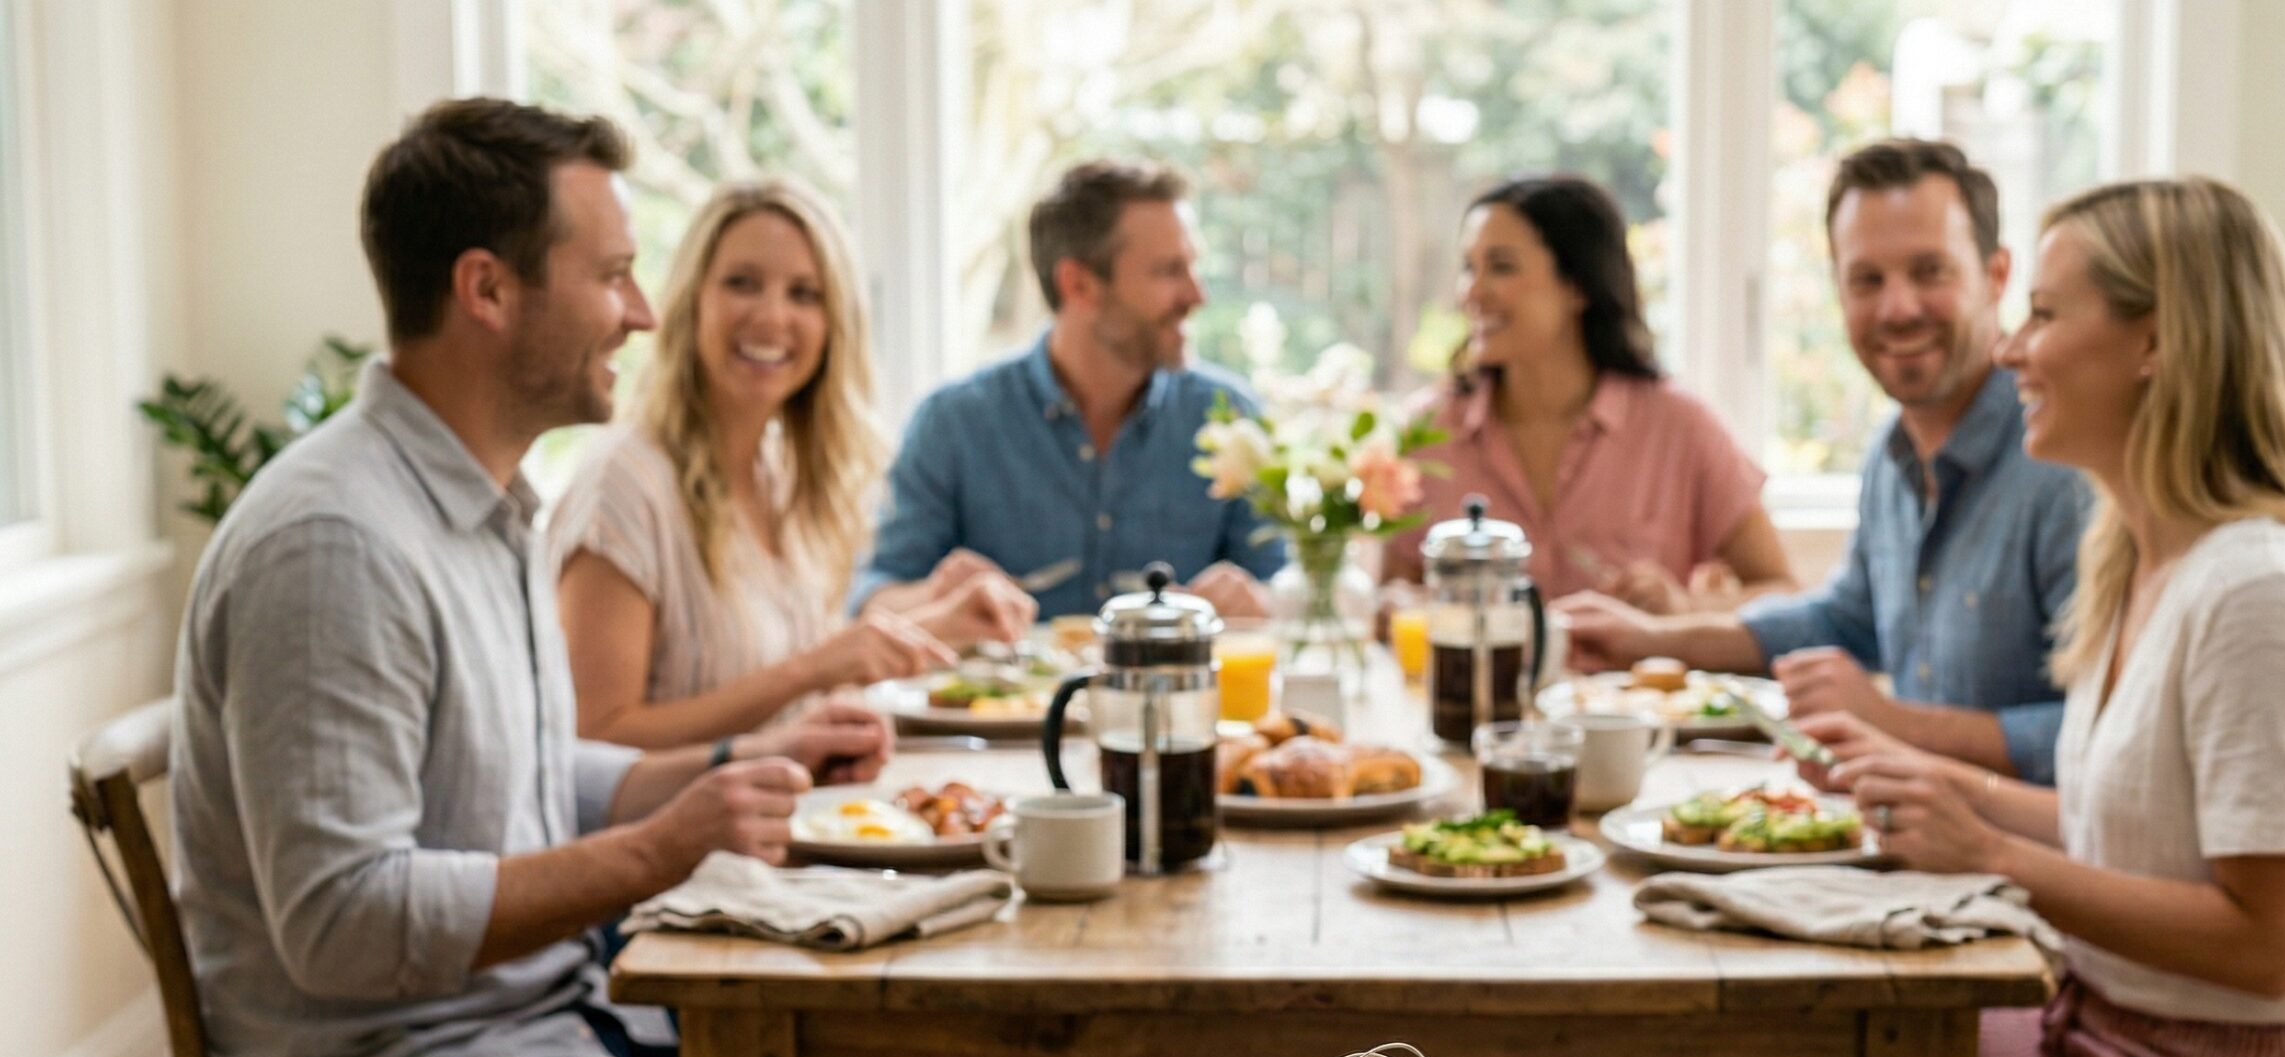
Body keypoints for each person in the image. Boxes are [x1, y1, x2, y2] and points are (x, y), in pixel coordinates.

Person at [170, 100, 895, 1057]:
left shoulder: (483, 502)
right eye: (610, 276)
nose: (641, 314)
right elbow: (341, 922)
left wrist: (743, 759)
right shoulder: (334, 543)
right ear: (487, 290)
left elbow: (528, 777)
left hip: (546, 1018)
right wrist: (653, 852)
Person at [1814, 177, 2285, 1057]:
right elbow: (2137, 831)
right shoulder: (2144, 559)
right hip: (2112, 1033)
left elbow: (2264, 946)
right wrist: (1945, 785)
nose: (2011, 349)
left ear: (2158, 340)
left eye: (2044, 314)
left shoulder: (2263, 593)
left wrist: (1987, 850)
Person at [1557, 140, 2093, 784]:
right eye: (1867, 280)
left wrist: (1891, 721)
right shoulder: (1889, 455)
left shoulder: (2064, 465)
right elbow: (1842, 620)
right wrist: (1653, 639)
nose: (1897, 308)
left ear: (1997, 277)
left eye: (1930, 272)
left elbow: (2105, 736)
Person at [551, 178, 1030, 748]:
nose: (773, 317)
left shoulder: (781, 473)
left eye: (805, 294)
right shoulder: (624, 486)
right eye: (742, 284)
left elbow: (792, 682)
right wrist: (812, 670)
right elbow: (594, 741)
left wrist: (942, 624)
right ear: (692, 300)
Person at [849, 160, 1282, 622]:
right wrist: (934, 596)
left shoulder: (1231, 418)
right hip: (1006, 695)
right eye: (1169, 271)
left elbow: (1284, 585)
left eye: (1193, 267)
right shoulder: (953, 422)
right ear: (1079, 284)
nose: (1197, 295)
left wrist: (1260, 599)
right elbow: (874, 599)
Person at [1381, 175, 1794, 607]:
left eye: (1501, 267)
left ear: (1578, 285)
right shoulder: (1428, 433)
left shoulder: (1681, 428)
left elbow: (1782, 595)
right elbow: (1392, 605)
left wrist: (1684, 606)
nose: (1471, 292)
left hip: (1627, 677)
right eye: (1469, 267)